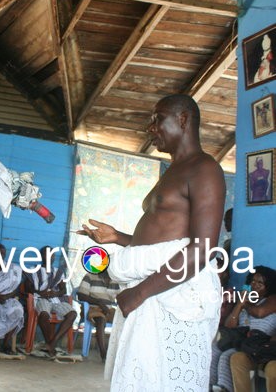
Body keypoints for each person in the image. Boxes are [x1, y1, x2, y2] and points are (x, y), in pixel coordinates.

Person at [78, 94, 226, 391]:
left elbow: (201, 249)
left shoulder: (204, 169)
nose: (150, 127)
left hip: (173, 293)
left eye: (158, 119)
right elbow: (165, 239)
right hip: (155, 290)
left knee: (168, 382)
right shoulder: (173, 170)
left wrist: (140, 292)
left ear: (183, 119)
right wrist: (118, 238)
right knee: (143, 380)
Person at [211, 266, 276, 391]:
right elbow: (229, 325)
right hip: (245, 343)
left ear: (269, 286)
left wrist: (244, 304)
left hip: (263, 344)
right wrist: (239, 305)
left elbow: (259, 313)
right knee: (217, 349)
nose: (254, 285)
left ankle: (222, 389)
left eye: (260, 283)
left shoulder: (270, 301)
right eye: (252, 281)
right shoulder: (244, 303)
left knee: (227, 356)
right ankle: (215, 386)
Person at [24, 245, 77, 358]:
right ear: (41, 256)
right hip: (41, 298)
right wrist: (39, 292)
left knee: (72, 314)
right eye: (46, 254)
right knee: (43, 315)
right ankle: (51, 345)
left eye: (51, 254)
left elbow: (63, 290)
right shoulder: (33, 270)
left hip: (56, 299)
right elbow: (27, 288)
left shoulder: (58, 272)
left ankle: (52, 343)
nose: (49, 256)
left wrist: (55, 293)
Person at [77, 271, 120, 360]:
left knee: (125, 318)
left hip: (108, 310)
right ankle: (103, 354)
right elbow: (81, 295)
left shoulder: (115, 280)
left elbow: (120, 297)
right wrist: (99, 302)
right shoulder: (90, 276)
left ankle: (121, 354)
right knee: (100, 320)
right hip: (93, 308)